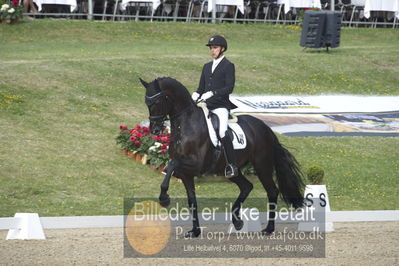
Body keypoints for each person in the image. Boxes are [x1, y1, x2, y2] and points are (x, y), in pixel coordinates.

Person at [192, 35, 239, 178]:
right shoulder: (206, 66)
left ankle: (232, 165)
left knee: (223, 132)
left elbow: (229, 88)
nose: (212, 51)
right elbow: (201, 88)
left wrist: (213, 93)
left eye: (215, 48)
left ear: (222, 49)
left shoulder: (228, 66)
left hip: (220, 106)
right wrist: (194, 95)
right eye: (211, 48)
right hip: (205, 104)